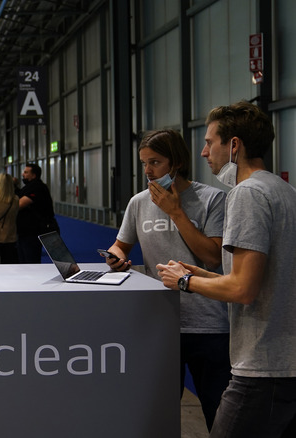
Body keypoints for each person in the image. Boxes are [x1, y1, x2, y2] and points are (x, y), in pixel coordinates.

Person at [157, 102, 296, 437]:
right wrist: (204, 275)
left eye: (209, 142)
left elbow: (242, 291)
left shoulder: (246, 194)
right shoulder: (283, 190)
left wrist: (185, 281)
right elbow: (261, 279)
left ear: (234, 145)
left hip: (263, 368)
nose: (204, 152)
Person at [104, 129, 230, 431]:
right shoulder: (138, 202)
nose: (148, 171)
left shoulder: (212, 199)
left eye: (155, 162)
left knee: (220, 414)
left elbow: (213, 257)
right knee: (158, 414)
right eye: (144, 163)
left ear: (175, 163)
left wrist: (176, 212)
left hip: (207, 325)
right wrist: (114, 255)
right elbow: (121, 244)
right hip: (160, 322)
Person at [16, 163, 58, 263]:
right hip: (24, 231)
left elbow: (19, 204)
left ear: (34, 175)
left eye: (26, 172)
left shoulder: (37, 187)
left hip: (33, 231)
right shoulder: (28, 187)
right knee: (23, 260)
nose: (23, 174)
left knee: (30, 261)